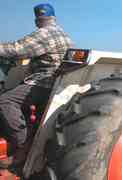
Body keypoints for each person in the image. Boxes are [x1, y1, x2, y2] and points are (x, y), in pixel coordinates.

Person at [0, 4, 73, 167]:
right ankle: (23, 134)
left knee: (5, 100)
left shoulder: (44, 33)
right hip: (56, 82)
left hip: (42, 82)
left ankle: (22, 146)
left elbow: (17, 49)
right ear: (54, 18)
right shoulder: (64, 34)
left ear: (37, 20)